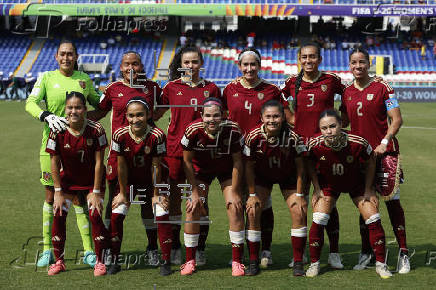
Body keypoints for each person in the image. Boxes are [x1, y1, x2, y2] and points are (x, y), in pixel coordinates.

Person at [25, 39, 100, 267]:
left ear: (76, 57)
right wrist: (46, 115)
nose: (66, 58)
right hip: (50, 149)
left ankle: (88, 250)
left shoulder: (84, 80)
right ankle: (48, 249)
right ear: (56, 57)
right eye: (62, 54)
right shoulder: (46, 77)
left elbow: (99, 103)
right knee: (51, 196)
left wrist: (91, 122)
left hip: (79, 150)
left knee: (79, 198)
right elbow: (31, 102)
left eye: (70, 54)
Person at [87, 51, 163, 267]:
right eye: (127, 64)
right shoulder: (112, 89)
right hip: (119, 155)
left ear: (142, 66)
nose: (131, 68)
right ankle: (113, 250)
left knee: (148, 203)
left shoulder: (153, 87)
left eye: (135, 64)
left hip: (147, 154)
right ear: (120, 67)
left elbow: (165, 104)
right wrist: (77, 120)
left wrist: (154, 117)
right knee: (116, 201)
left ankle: (151, 247)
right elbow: (100, 113)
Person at [341, 47, 410, 274]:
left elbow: (396, 119)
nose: (358, 66)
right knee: (365, 205)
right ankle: (367, 252)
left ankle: (403, 252)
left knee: (392, 202)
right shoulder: (347, 92)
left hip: (385, 154)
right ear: (349, 65)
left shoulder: (383, 88)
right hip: (361, 157)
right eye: (353, 62)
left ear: (369, 63)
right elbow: (341, 121)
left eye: (362, 62)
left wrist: (385, 140)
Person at [222, 47, 292, 268]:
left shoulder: (271, 90)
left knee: (262, 204)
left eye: (253, 64)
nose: (249, 68)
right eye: (245, 64)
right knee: (239, 204)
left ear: (259, 66)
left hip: (263, 156)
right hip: (236, 158)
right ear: (239, 66)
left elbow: (288, 119)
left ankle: (266, 250)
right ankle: (242, 251)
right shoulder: (229, 89)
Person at [155, 46, 221, 266]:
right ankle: (175, 246)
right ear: (181, 65)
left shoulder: (211, 88)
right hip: (174, 151)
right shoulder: (171, 87)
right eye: (186, 62)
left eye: (194, 62)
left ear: (201, 63)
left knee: (200, 201)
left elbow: (220, 119)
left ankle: (200, 248)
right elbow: (157, 113)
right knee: (174, 202)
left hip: (202, 153)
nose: (190, 66)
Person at [305, 109, 392, 279]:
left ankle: (381, 264)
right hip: (329, 185)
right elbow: (309, 163)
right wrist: (316, 187)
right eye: (324, 128)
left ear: (341, 125)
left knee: (373, 217)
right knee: (319, 218)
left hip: (357, 185)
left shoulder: (357, 142)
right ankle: (314, 264)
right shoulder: (314, 144)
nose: (329, 131)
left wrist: (368, 189)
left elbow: (371, 162)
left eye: (332, 126)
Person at [281, 42, 344, 269]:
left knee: (328, 201)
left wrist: (342, 122)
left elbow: (349, 97)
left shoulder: (331, 81)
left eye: (313, 57)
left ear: (320, 59)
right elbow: (280, 104)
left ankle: (334, 252)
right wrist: (291, 120)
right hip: (299, 152)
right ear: (299, 59)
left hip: (325, 152)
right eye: (304, 57)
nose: (308, 60)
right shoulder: (291, 83)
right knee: (302, 202)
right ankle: (302, 253)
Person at [107, 97, 173, 276]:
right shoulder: (119, 134)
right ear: (126, 116)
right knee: (116, 214)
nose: (135, 119)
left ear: (148, 115)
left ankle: (162, 258)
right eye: (131, 116)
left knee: (160, 212)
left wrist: (156, 192)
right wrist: (122, 193)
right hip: (129, 181)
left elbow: (156, 166)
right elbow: (121, 166)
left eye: (140, 115)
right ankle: (114, 259)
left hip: (153, 180)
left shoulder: (157, 135)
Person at [45, 92, 109, 276]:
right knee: (58, 212)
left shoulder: (96, 129)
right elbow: (54, 162)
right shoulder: (57, 130)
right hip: (67, 182)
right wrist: (57, 191)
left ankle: (100, 261)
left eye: (78, 107)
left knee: (95, 214)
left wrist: (96, 191)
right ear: (65, 110)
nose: (74, 111)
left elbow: (99, 163)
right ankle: (59, 261)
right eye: (70, 107)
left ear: (85, 109)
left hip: (91, 182)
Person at [180, 98, 245, 276]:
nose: (212, 119)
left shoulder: (233, 130)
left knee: (235, 206)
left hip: (226, 170)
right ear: (201, 116)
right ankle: (190, 260)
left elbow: (238, 161)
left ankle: (237, 261)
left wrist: (237, 192)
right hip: (201, 172)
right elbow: (186, 161)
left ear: (223, 115)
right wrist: (193, 192)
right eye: (207, 115)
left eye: (216, 115)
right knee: (193, 208)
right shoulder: (192, 130)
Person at [244, 100, 306, 276]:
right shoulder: (252, 136)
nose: (272, 120)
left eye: (276, 116)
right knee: (253, 210)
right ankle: (254, 261)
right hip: (263, 177)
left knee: (299, 210)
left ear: (283, 117)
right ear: (262, 117)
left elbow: (301, 167)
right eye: (268, 116)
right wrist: (252, 194)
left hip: (289, 176)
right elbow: (248, 166)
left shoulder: (294, 136)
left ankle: (298, 262)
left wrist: (300, 194)